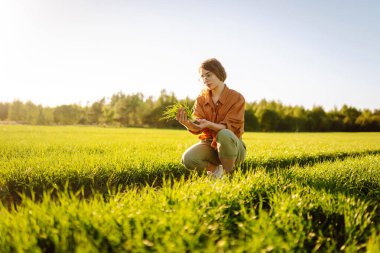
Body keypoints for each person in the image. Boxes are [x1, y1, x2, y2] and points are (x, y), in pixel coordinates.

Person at [176, 58, 246, 179]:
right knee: (188, 159)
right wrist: (187, 123)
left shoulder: (236, 98)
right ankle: (216, 172)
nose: (205, 79)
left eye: (208, 75)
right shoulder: (201, 99)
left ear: (219, 73)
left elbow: (230, 127)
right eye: (202, 77)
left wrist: (208, 124)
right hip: (210, 145)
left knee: (224, 134)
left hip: (233, 147)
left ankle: (230, 176)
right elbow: (198, 125)